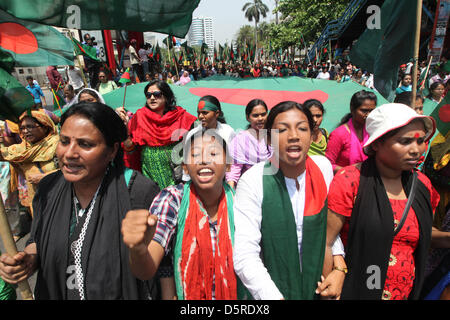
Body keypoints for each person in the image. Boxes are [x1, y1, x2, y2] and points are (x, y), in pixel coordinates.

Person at [0, 102, 160, 299]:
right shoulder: (48, 188)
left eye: (85, 144)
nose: (69, 154)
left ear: (112, 151)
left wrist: (138, 249)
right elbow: (36, 240)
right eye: (65, 141)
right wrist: (27, 261)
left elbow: (156, 269)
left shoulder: (138, 192)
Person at [323, 103, 439, 300]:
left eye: (420, 142)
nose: (415, 150)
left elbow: (419, 233)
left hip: (405, 293)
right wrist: (332, 282)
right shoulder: (351, 180)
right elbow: (326, 241)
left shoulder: (423, 185)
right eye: (405, 141)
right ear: (376, 144)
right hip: (356, 290)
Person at [233, 101, 345, 300]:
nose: (294, 136)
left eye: (302, 128)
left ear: (312, 136)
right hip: (272, 290)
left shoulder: (323, 168)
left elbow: (328, 227)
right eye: (282, 130)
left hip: (320, 287)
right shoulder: (253, 181)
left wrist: (339, 268)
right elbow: (245, 255)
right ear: (268, 138)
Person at [122, 129, 238, 300]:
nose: (204, 160)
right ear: (185, 166)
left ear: (228, 164)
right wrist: (138, 249)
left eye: (213, 153)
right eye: (195, 154)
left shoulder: (242, 204)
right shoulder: (171, 200)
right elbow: (146, 270)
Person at [123, 80, 197, 189]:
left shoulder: (180, 116)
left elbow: (195, 142)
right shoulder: (139, 117)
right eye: (148, 95)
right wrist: (124, 130)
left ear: (166, 96)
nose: (152, 98)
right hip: (149, 173)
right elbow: (130, 147)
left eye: (157, 94)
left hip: (176, 174)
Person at [0, 110, 59, 217]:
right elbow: (3, 154)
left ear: (45, 127)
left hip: (59, 199)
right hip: (37, 203)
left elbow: (73, 171)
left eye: (30, 127)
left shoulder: (58, 145)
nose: (26, 131)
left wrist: (45, 177)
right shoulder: (23, 149)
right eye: (22, 128)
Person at [183, 95, 235, 182]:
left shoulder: (228, 132)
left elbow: (232, 162)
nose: (200, 116)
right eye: (198, 113)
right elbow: (187, 162)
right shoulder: (192, 134)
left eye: (205, 113)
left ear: (217, 113)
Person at [326, 90, 377, 174]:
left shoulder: (372, 130)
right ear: (352, 109)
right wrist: (353, 170)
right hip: (345, 182)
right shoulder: (339, 134)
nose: (368, 115)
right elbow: (328, 165)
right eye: (364, 111)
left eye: (372, 111)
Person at [227, 99, 271, 188]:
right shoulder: (240, 140)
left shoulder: (274, 136)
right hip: (248, 187)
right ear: (248, 118)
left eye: (263, 114)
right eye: (255, 115)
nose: (260, 118)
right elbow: (234, 169)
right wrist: (231, 195)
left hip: (272, 185)